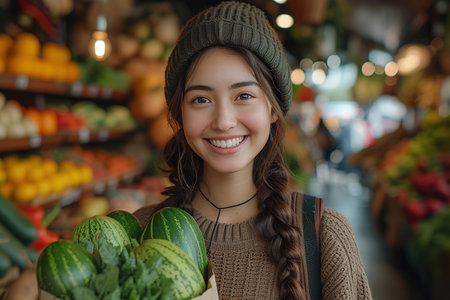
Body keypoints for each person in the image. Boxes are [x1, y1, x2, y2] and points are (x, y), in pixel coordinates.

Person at [134, 1, 372, 299]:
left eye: (244, 95)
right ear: (180, 113)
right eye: (200, 100)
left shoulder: (323, 236)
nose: (223, 121)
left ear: (273, 109)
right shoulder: (139, 234)